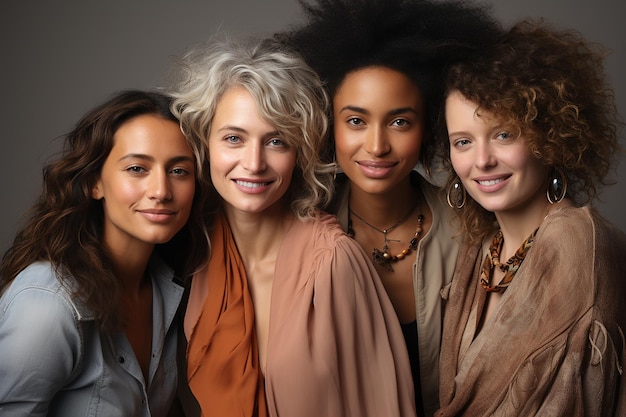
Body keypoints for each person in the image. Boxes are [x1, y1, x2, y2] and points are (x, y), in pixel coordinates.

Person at [166, 36, 416, 417]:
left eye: (277, 141)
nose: (253, 163)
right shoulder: (192, 251)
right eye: (234, 138)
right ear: (204, 144)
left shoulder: (332, 262)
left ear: (300, 154)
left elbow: (381, 405)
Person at [275, 0, 502, 414]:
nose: (377, 146)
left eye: (400, 121)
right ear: (329, 125)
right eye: (356, 121)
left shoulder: (474, 232)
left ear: (429, 128)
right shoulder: (295, 233)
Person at [435, 19, 626, 416]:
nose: (482, 160)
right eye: (463, 142)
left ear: (550, 135)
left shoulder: (578, 244)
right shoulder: (482, 250)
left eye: (504, 134)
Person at [0, 90, 211, 417]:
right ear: (94, 183)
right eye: (137, 168)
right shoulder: (48, 306)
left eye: (179, 171)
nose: (160, 191)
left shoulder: (173, 289)